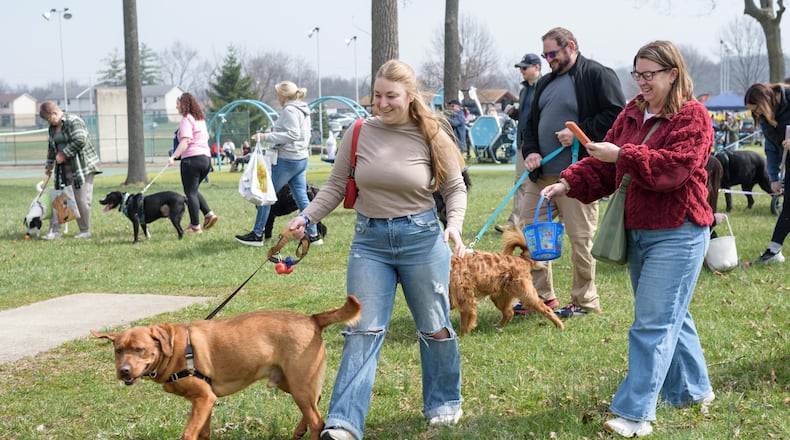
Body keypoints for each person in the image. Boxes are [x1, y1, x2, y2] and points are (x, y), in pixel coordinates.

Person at [286, 59, 467, 440]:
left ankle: (444, 403)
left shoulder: (431, 132)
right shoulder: (357, 132)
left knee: (436, 328)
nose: (381, 104)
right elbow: (336, 186)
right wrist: (307, 217)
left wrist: (453, 225)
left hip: (422, 238)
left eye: (391, 97)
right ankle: (343, 424)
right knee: (362, 330)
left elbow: (454, 187)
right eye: (377, 96)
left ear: (410, 96)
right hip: (370, 242)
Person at [542, 40, 715, 438]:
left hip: (680, 230)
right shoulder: (631, 112)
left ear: (673, 74)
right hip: (638, 231)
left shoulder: (694, 117)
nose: (641, 82)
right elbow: (604, 167)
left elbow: (674, 170)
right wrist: (569, 183)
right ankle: (694, 390)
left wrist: (623, 155)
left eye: (649, 75)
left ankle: (636, 415)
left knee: (652, 324)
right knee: (672, 314)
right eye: (637, 74)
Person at [520, 27, 626, 318]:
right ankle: (541, 297)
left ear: (571, 46)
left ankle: (584, 300)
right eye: (545, 55)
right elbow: (529, 124)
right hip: (541, 176)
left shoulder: (596, 74)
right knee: (533, 233)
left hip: (578, 176)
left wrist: (580, 133)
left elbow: (617, 116)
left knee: (581, 239)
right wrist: (531, 151)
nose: (549, 59)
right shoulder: (543, 83)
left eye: (552, 53)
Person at [235, 80, 322, 246]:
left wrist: (265, 137)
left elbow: (292, 134)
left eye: (278, 95)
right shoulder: (303, 109)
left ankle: (257, 234)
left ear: (283, 95)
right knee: (302, 199)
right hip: (301, 158)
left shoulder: (289, 110)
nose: (278, 98)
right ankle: (314, 234)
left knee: (266, 196)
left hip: (288, 160)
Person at [39, 101, 102, 240]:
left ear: (55, 113)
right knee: (60, 197)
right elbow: (51, 148)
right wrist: (49, 166)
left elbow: (81, 140)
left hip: (83, 166)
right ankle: (55, 232)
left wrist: (64, 154)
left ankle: (85, 231)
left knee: (81, 199)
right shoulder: (52, 128)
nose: (49, 122)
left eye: (49, 119)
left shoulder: (74, 121)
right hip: (63, 168)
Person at [743, 82, 790, 264]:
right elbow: (770, 148)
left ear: (765, 101)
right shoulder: (765, 121)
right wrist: (774, 177)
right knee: (788, 207)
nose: (756, 115)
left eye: (757, 109)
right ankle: (774, 250)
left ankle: (774, 251)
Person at [495, 52, 542, 235]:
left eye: (525, 67)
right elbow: (524, 116)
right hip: (523, 143)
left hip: (539, 145)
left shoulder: (544, 88)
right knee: (519, 183)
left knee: (539, 185)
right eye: (520, 68)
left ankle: (529, 223)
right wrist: (511, 112)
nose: (521, 71)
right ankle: (515, 223)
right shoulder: (524, 90)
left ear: (537, 67)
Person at [168, 92, 218, 233]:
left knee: (190, 193)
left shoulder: (186, 120)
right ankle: (209, 214)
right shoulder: (200, 120)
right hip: (206, 160)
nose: (176, 107)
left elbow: (186, 140)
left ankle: (195, 226)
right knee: (193, 191)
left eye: (178, 103)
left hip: (192, 160)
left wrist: (173, 156)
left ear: (184, 104)